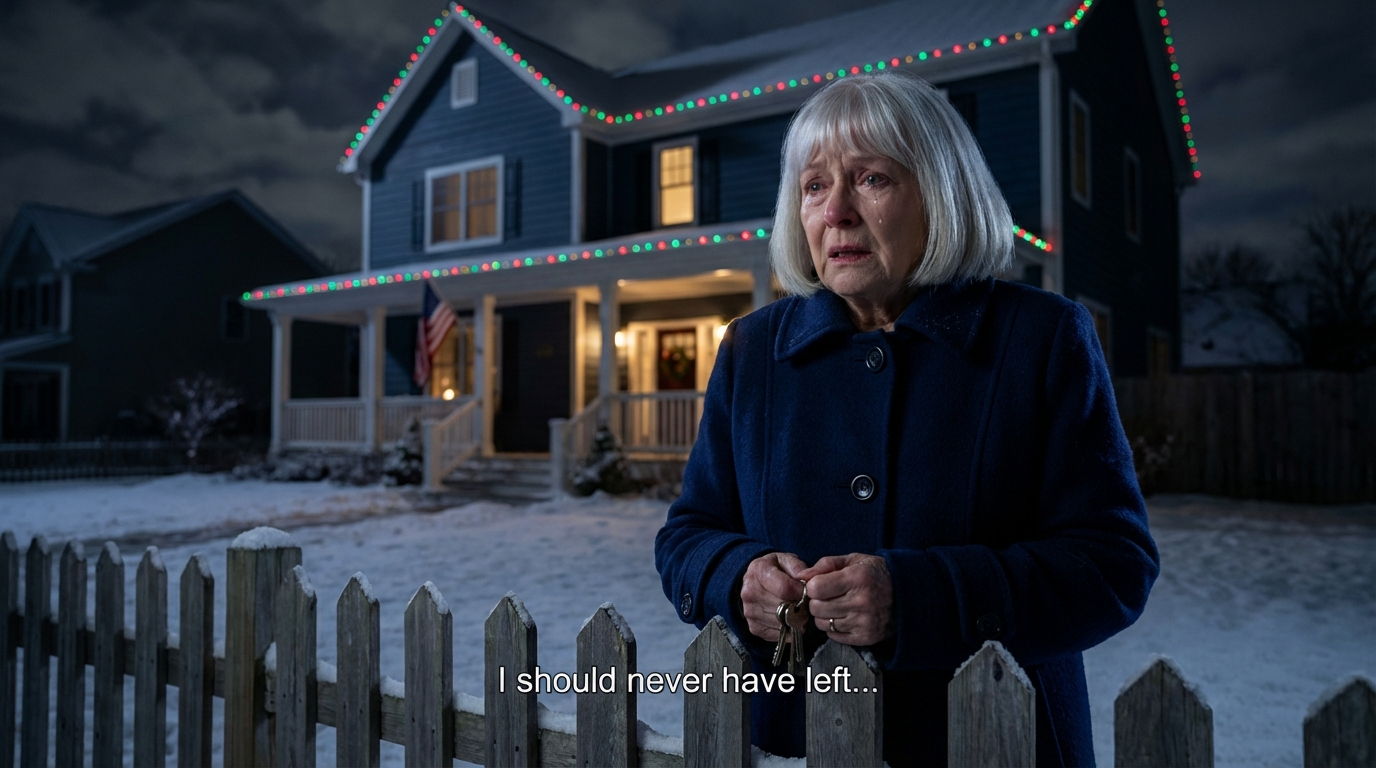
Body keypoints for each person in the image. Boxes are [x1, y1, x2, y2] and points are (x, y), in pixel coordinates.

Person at [654, 70, 1159, 766]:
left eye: (871, 179)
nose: (835, 213)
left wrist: (918, 598)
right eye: (813, 186)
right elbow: (688, 533)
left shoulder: (1041, 338)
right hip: (797, 744)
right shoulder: (752, 350)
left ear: (941, 195)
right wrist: (736, 578)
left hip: (998, 740)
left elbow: (1112, 566)